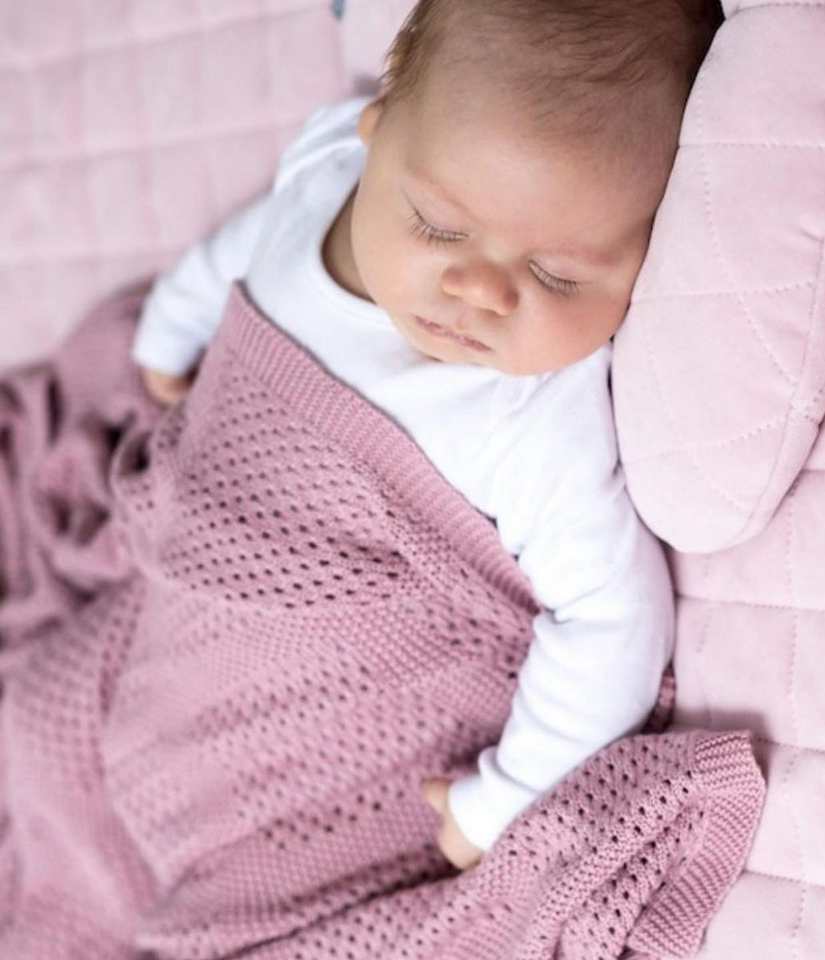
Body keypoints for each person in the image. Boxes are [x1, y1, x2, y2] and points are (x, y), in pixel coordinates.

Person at [132, 0, 720, 871]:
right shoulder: (329, 171)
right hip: (180, 591)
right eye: (440, 228)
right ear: (374, 130)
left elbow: (614, 624)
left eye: (557, 274)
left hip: (316, 729)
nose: (479, 291)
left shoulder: (534, 418)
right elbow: (245, 245)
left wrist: (501, 801)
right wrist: (171, 324)